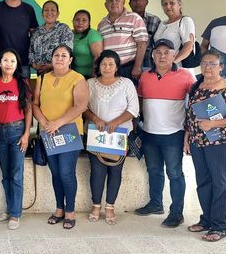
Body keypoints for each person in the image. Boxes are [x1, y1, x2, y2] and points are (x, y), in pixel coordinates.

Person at [184, 50, 226, 241]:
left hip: (219, 142)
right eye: (204, 63)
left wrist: (213, 124)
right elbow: (190, 115)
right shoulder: (197, 85)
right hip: (197, 141)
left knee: (220, 183)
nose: (207, 67)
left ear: (221, 67)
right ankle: (207, 220)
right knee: (203, 182)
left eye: (212, 63)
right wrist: (187, 136)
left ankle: (219, 226)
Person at [135, 39, 195, 227]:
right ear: (152, 55)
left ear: (174, 54)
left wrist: (190, 132)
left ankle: (176, 213)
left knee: (174, 173)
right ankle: (155, 204)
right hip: (149, 133)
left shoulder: (185, 76)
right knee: (153, 170)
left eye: (167, 52)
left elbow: (196, 102)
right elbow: (140, 101)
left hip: (174, 134)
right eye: (158, 52)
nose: (162, 56)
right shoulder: (145, 76)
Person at [32, 44, 89, 229]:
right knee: (55, 172)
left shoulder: (77, 78)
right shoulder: (43, 78)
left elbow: (81, 106)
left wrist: (58, 123)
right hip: (49, 132)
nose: (59, 58)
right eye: (56, 55)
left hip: (70, 132)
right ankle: (59, 209)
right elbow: (35, 104)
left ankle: (70, 210)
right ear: (51, 58)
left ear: (70, 60)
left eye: (64, 55)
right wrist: (45, 123)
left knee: (66, 172)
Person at [85, 50, 139, 225]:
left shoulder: (126, 83)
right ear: (98, 66)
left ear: (116, 67)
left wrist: (116, 122)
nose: (107, 67)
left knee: (115, 171)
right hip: (96, 134)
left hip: (119, 134)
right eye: (103, 64)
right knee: (97, 171)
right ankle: (95, 206)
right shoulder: (90, 84)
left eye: (111, 64)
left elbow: (134, 109)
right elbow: (83, 107)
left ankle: (110, 207)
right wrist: (96, 119)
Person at [0, 49, 32, 230]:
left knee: (16, 174)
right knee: (5, 174)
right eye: (5, 60)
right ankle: (9, 208)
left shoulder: (22, 83)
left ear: (16, 64)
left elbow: (28, 110)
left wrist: (26, 134)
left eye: (12, 61)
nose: (9, 64)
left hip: (17, 131)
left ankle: (15, 214)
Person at [97, 0, 148, 80]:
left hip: (129, 68)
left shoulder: (134, 18)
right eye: (110, 0)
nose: (114, 2)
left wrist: (137, 66)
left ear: (123, 2)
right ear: (105, 5)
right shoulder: (101, 24)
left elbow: (142, 43)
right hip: (108, 69)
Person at [29, 0, 74, 76]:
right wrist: (35, 65)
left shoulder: (64, 29)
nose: (49, 13)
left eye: (52, 10)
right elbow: (31, 51)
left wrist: (51, 65)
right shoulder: (37, 31)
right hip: (41, 74)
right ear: (42, 14)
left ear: (58, 14)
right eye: (46, 10)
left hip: (60, 73)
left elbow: (67, 52)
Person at [153, 0, 196, 67]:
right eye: (165, 4)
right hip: (162, 68)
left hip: (177, 67)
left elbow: (189, 46)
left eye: (172, 3)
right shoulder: (162, 23)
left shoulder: (185, 21)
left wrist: (172, 64)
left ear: (179, 5)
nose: (168, 6)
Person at [129, 0, 161, 70]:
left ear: (146, 2)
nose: (138, 2)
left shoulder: (155, 20)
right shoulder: (125, 21)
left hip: (149, 63)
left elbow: (159, 44)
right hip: (128, 64)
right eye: (134, 0)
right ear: (129, 3)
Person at [71, 9, 103, 78]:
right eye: (77, 20)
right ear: (72, 21)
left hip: (89, 75)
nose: (80, 22)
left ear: (89, 23)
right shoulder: (69, 34)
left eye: (84, 20)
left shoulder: (93, 34)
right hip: (73, 75)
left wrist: (93, 77)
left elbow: (98, 57)